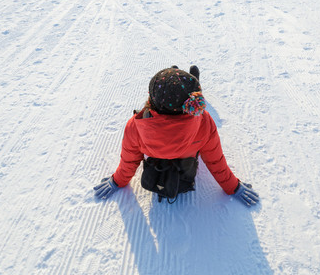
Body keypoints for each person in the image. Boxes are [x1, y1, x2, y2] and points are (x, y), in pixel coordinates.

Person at [94, 66, 259, 206]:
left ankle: (175, 78)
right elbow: (216, 161)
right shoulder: (203, 122)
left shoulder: (136, 126)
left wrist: (117, 181)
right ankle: (190, 81)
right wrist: (233, 186)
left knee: (172, 87)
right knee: (186, 88)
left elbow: (129, 161)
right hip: (185, 163)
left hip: (159, 161)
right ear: (191, 106)